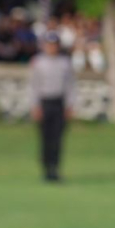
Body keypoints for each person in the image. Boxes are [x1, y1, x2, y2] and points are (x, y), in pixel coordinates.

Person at [28, 33, 75, 182]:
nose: (52, 47)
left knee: (57, 139)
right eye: (49, 44)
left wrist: (70, 105)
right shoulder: (38, 62)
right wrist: (35, 106)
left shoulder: (65, 63)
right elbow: (34, 86)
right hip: (44, 102)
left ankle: (55, 168)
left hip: (59, 102)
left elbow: (71, 86)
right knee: (45, 138)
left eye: (54, 45)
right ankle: (46, 169)